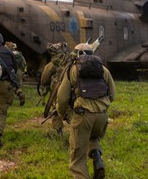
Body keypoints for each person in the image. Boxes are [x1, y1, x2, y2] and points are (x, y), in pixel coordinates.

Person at [57, 43, 116, 179]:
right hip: (102, 116)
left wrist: (62, 113)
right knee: (93, 137)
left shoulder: (72, 69)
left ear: (77, 54)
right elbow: (112, 94)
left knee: (77, 159)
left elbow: (62, 97)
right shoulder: (103, 69)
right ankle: (97, 156)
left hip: (83, 115)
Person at [40, 42, 69, 134]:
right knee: (70, 108)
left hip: (57, 90)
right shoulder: (71, 61)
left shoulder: (52, 64)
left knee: (55, 110)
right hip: (70, 89)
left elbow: (44, 80)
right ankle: (76, 127)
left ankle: (59, 130)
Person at [7, 41, 27, 106]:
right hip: (19, 71)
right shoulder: (19, 54)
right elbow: (24, 63)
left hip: (11, 71)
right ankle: (21, 94)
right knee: (17, 86)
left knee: (11, 87)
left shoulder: (8, 53)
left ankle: (9, 102)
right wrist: (22, 71)